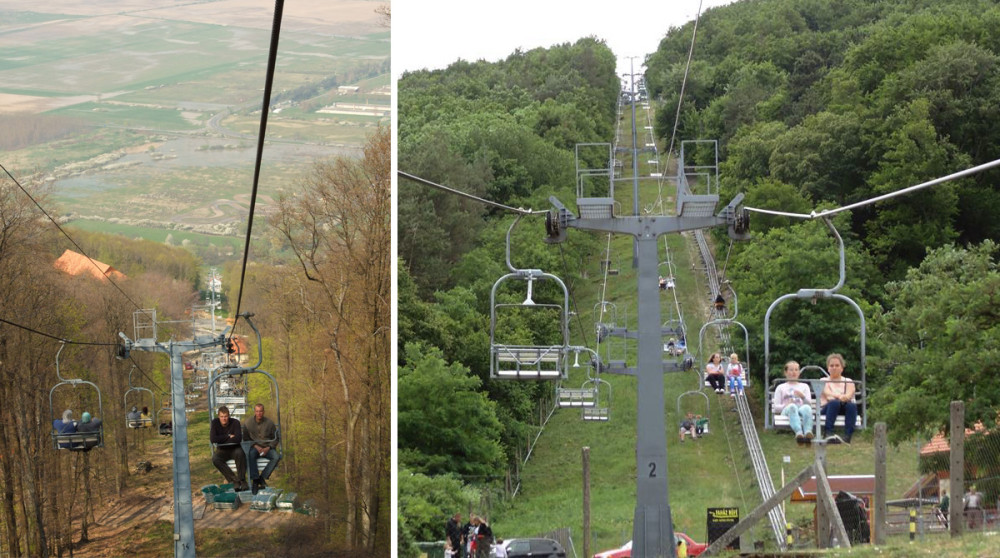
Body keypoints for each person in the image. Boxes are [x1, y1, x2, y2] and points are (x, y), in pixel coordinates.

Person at [772, 360, 815, 445]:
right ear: (786, 372)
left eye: (796, 370)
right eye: (791, 370)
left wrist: (802, 397)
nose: (794, 372)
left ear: (799, 372)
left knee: (806, 408)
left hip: (801, 410)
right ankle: (798, 431)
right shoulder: (780, 387)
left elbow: (809, 404)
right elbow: (776, 408)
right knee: (792, 406)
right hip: (787, 410)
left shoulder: (804, 386)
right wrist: (786, 405)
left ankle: (808, 432)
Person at [243, 403, 280, 494]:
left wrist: (268, 447)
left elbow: (276, 438)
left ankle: (262, 477)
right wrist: (255, 446)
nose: (259, 413)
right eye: (257, 411)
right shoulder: (248, 423)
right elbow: (246, 438)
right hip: (255, 447)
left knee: (276, 457)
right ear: (254, 412)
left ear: (263, 412)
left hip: (267, 447)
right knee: (251, 454)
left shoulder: (269, 423)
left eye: (261, 411)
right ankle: (255, 480)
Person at [820, 353, 857, 444]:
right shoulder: (823, 381)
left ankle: (847, 436)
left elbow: (849, 394)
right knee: (834, 403)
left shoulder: (848, 381)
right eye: (831, 365)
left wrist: (844, 397)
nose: (834, 368)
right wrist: (841, 396)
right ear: (828, 368)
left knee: (851, 406)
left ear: (842, 368)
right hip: (828, 408)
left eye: (837, 365)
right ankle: (828, 433)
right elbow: (828, 395)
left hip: (843, 406)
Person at [210, 405, 248, 491]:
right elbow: (213, 439)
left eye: (226, 416)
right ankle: (234, 480)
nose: (224, 419)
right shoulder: (215, 423)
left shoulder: (235, 423)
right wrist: (228, 436)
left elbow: (238, 439)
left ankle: (242, 480)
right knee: (215, 459)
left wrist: (221, 439)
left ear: (229, 416)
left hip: (235, 448)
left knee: (240, 453)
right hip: (222, 450)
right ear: (219, 417)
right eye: (222, 417)